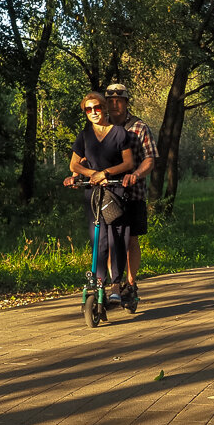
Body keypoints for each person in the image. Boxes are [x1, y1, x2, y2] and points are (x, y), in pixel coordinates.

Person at [66, 91, 135, 303]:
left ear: (104, 108)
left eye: (96, 108)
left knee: (117, 238)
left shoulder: (119, 133)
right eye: (88, 109)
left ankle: (116, 284)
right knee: (99, 239)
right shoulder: (84, 135)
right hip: (94, 194)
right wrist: (92, 175)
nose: (93, 112)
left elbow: (128, 163)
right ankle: (99, 284)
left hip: (115, 191)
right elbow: (74, 164)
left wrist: (105, 173)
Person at [105, 83, 157, 302]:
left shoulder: (139, 127)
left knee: (131, 239)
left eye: (119, 100)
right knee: (110, 239)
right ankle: (114, 285)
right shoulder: (101, 126)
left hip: (133, 193)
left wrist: (136, 174)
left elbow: (150, 159)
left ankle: (131, 283)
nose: (114, 104)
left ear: (126, 102)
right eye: (110, 101)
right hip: (109, 193)